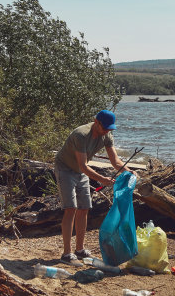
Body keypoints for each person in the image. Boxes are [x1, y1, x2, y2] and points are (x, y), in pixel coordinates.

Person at [54, 109, 135, 265]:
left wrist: (129, 171)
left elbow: (116, 161)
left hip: (80, 171)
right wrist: (102, 179)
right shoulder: (81, 135)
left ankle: (80, 249)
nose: (107, 131)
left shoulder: (107, 135)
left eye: (109, 129)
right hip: (65, 168)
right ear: (96, 122)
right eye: (105, 128)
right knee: (70, 208)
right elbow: (83, 166)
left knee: (84, 208)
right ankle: (66, 253)